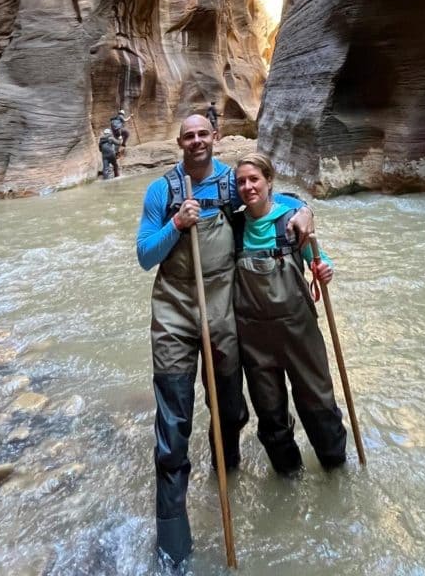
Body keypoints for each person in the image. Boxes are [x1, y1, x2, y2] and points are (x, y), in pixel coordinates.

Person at [136, 115, 313, 569]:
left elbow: (271, 199)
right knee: (173, 425)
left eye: (202, 134)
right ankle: (173, 540)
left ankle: (225, 479)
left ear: (214, 139)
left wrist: (303, 208)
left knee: (230, 410)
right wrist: (176, 223)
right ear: (180, 142)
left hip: (222, 306)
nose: (196, 141)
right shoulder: (162, 191)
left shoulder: (230, 185)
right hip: (174, 310)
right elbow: (144, 255)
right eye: (188, 136)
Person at [234, 153, 347, 476]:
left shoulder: (292, 221)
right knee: (270, 415)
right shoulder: (235, 226)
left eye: (254, 179)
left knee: (318, 404)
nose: (247, 186)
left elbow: (319, 259)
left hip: (299, 332)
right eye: (241, 181)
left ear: (269, 182)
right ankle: (288, 477)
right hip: (254, 339)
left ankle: (335, 470)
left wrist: (325, 270)